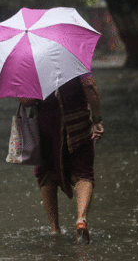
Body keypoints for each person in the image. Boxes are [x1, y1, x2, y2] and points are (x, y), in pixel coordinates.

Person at [19, 72, 104, 245]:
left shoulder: (32, 63)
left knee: (46, 172)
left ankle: (54, 229)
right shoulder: (74, 56)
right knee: (83, 172)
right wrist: (97, 119)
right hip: (78, 123)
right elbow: (89, 85)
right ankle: (81, 219)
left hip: (46, 125)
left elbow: (26, 100)